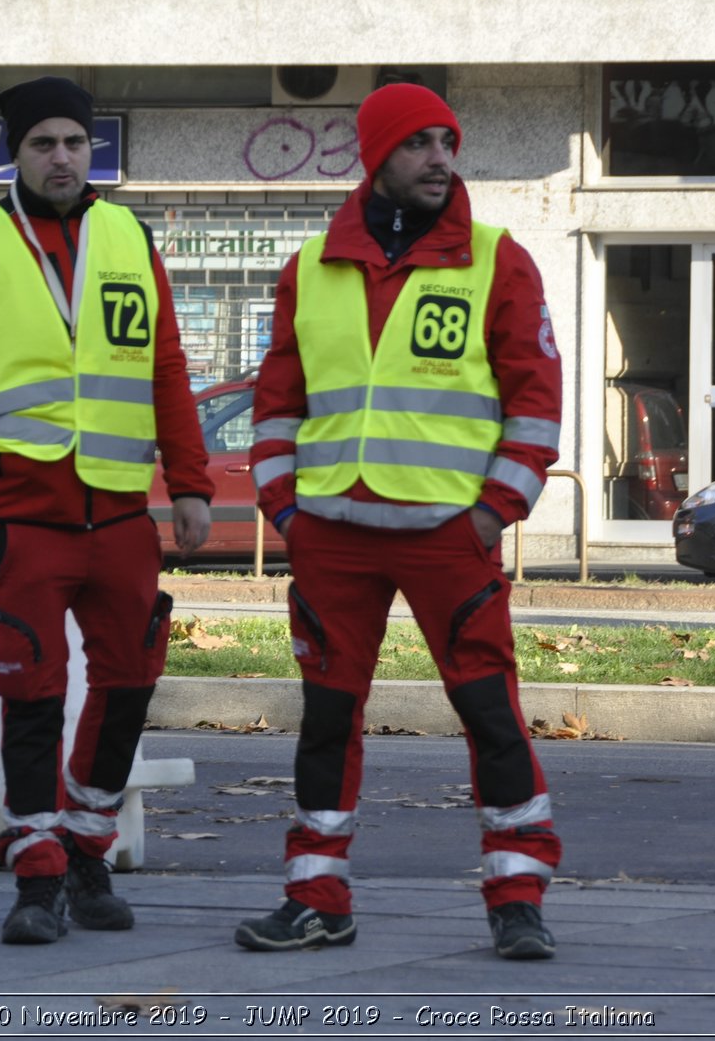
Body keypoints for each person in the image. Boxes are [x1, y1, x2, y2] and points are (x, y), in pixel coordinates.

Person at [235, 83, 565, 961]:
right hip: (333, 533)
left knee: (490, 712)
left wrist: (497, 510)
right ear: (376, 156)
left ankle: (517, 893)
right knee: (325, 722)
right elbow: (277, 405)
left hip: (448, 534)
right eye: (418, 143)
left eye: (447, 141)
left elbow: (536, 402)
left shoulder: (500, 260)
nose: (440, 158)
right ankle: (315, 895)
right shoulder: (310, 267)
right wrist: (285, 508)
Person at [0, 76, 212, 946]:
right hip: (20, 519)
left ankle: (87, 849)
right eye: (44, 143)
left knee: (131, 681)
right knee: (31, 695)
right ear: (17, 152)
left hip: (118, 517)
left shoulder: (129, 235)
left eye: (74, 140)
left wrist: (190, 485)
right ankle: (35, 873)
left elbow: (167, 370)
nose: (62, 156)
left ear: (90, 148)